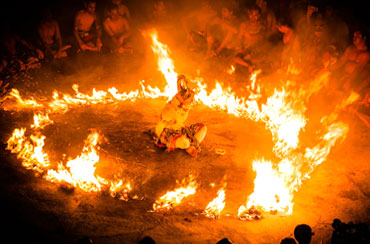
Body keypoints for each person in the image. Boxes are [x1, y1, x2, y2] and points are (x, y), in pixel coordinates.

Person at [152, 75, 207, 157]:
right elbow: (162, 124)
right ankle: (189, 145)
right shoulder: (170, 108)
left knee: (203, 128)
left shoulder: (185, 107)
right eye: (189, 101)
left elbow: (181, 121)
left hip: (182, 130)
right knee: (184, 143)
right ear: (182, 101)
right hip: (168, 133)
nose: (190, 104)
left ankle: (191, 146)